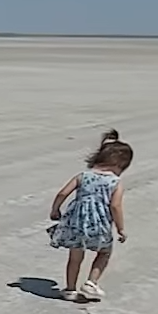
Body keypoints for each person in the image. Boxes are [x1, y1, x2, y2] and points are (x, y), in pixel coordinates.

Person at [48, 129, 133, 302]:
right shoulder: (115, 182)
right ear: (119, 165)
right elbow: (115, 206)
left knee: (75, 256)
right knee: (104, 252)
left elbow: (63, 193)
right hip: (98, 224)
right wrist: (121, 228)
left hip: (76, 223)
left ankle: (70, 289)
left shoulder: (83, 176)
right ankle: (91, 283)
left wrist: (55, 210)